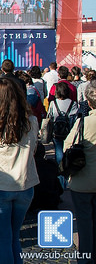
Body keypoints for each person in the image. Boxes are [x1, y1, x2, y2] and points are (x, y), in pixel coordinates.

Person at [0, 78, 40, 264]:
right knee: (14, 236)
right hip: (25, 183)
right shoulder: (31, 121)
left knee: (4, 238)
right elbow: (35, 149)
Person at [64, 82, 96, 263]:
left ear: (89, 103)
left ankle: (86, 258)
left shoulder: (83, 123)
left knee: (84, 224)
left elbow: (68, 146)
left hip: (82, 181)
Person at [47, 81, 79, 165]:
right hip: (69, 130)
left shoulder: (53, 103)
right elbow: (75, 117)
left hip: (56, 130)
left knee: (58, 150)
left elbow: (49, 116)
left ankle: (60, 168)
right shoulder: (73, 103)